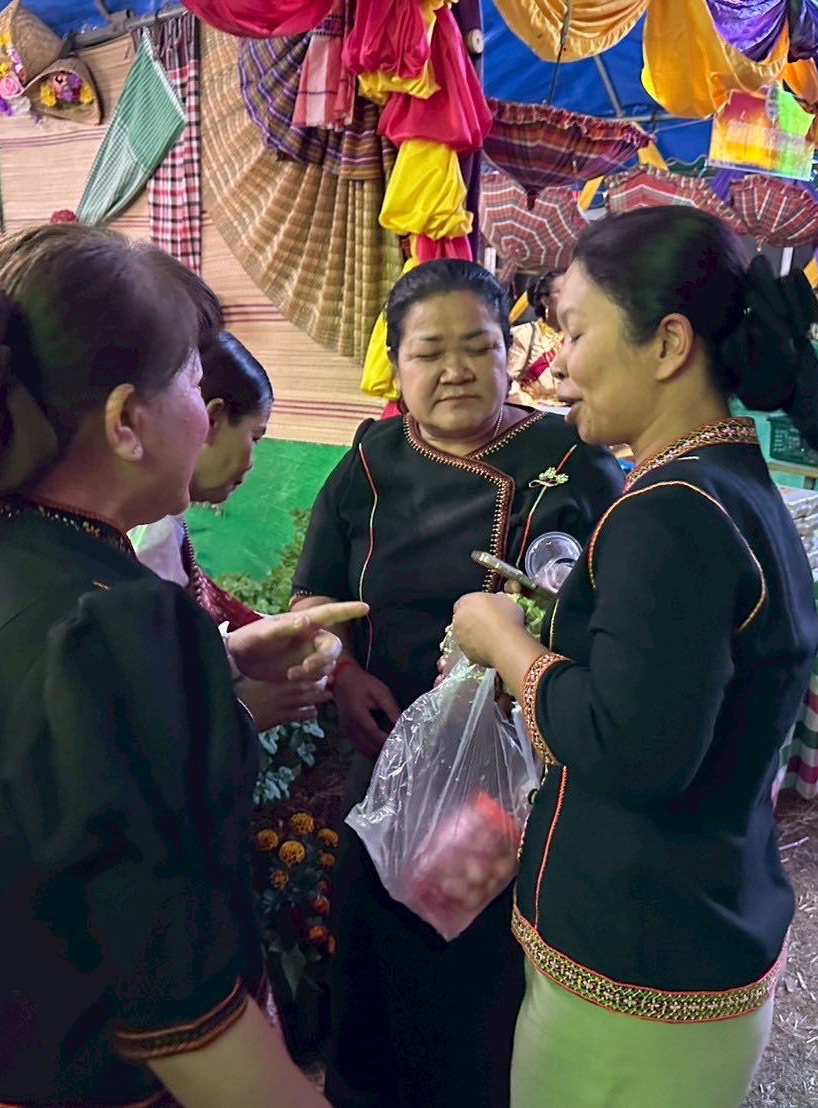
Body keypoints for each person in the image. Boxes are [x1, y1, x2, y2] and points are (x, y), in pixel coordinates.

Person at [0, 223, 363, 1107]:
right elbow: (179, 998)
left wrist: (216, 666)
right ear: (126, 423)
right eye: (190, 380)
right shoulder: (122, 621)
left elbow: (58, 783)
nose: (203, 411)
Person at [452, 207, 818, 1107]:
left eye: (576, 333)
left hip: (642, 957)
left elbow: (632, 748)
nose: (555, 365)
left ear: (666, 345)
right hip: (691, 921)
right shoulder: (722, 487)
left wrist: (506, 644)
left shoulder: (670, 513)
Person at [292, 258, 626, 1107]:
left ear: (510, 353)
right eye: (428, 352)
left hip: (511, 773)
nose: (454, 371)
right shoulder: (369, 461)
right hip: (386, 757)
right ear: (395, 364)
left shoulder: (571, 460)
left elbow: (613, 620)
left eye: (477, 348)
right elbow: (312, 593)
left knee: (475, 969)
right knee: (374, 950)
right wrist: (342, 671)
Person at [132, 328, 328, 731]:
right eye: (255, 436)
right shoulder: (146, 533)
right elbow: (144, 696)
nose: (252, 460)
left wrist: (235, 654)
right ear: (212, 418)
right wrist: (238, 713)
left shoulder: (158, 522)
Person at [508, 270, 563, 406]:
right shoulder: (524, 335)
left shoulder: (580, 337)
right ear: (545, 300)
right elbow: (509, 382)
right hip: (533, 411)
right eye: (564, 292)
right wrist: (533, 409)